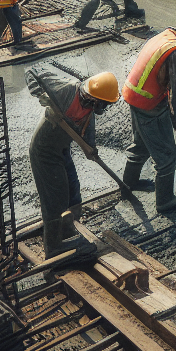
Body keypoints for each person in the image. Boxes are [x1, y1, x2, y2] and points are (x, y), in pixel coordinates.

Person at [26, 65, 121, 264]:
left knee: (73, 192)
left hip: (61, 151)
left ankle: (67, 230)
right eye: (103, 103)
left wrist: (92, 150)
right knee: (55, 199)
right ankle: (54, 248)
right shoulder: (67, 91)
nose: (103, 108)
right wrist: (40, 94)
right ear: (95, 98)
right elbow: (31, 71)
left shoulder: (89, 111)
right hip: (44, 153)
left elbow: (88, 137)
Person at [121, 6, 176, 213]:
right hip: (148, 103)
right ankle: (165, 200)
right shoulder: (175, 50)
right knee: (167, 155)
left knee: (141, 144)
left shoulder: (161, 37)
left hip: (133, 94)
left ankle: (128, 185)